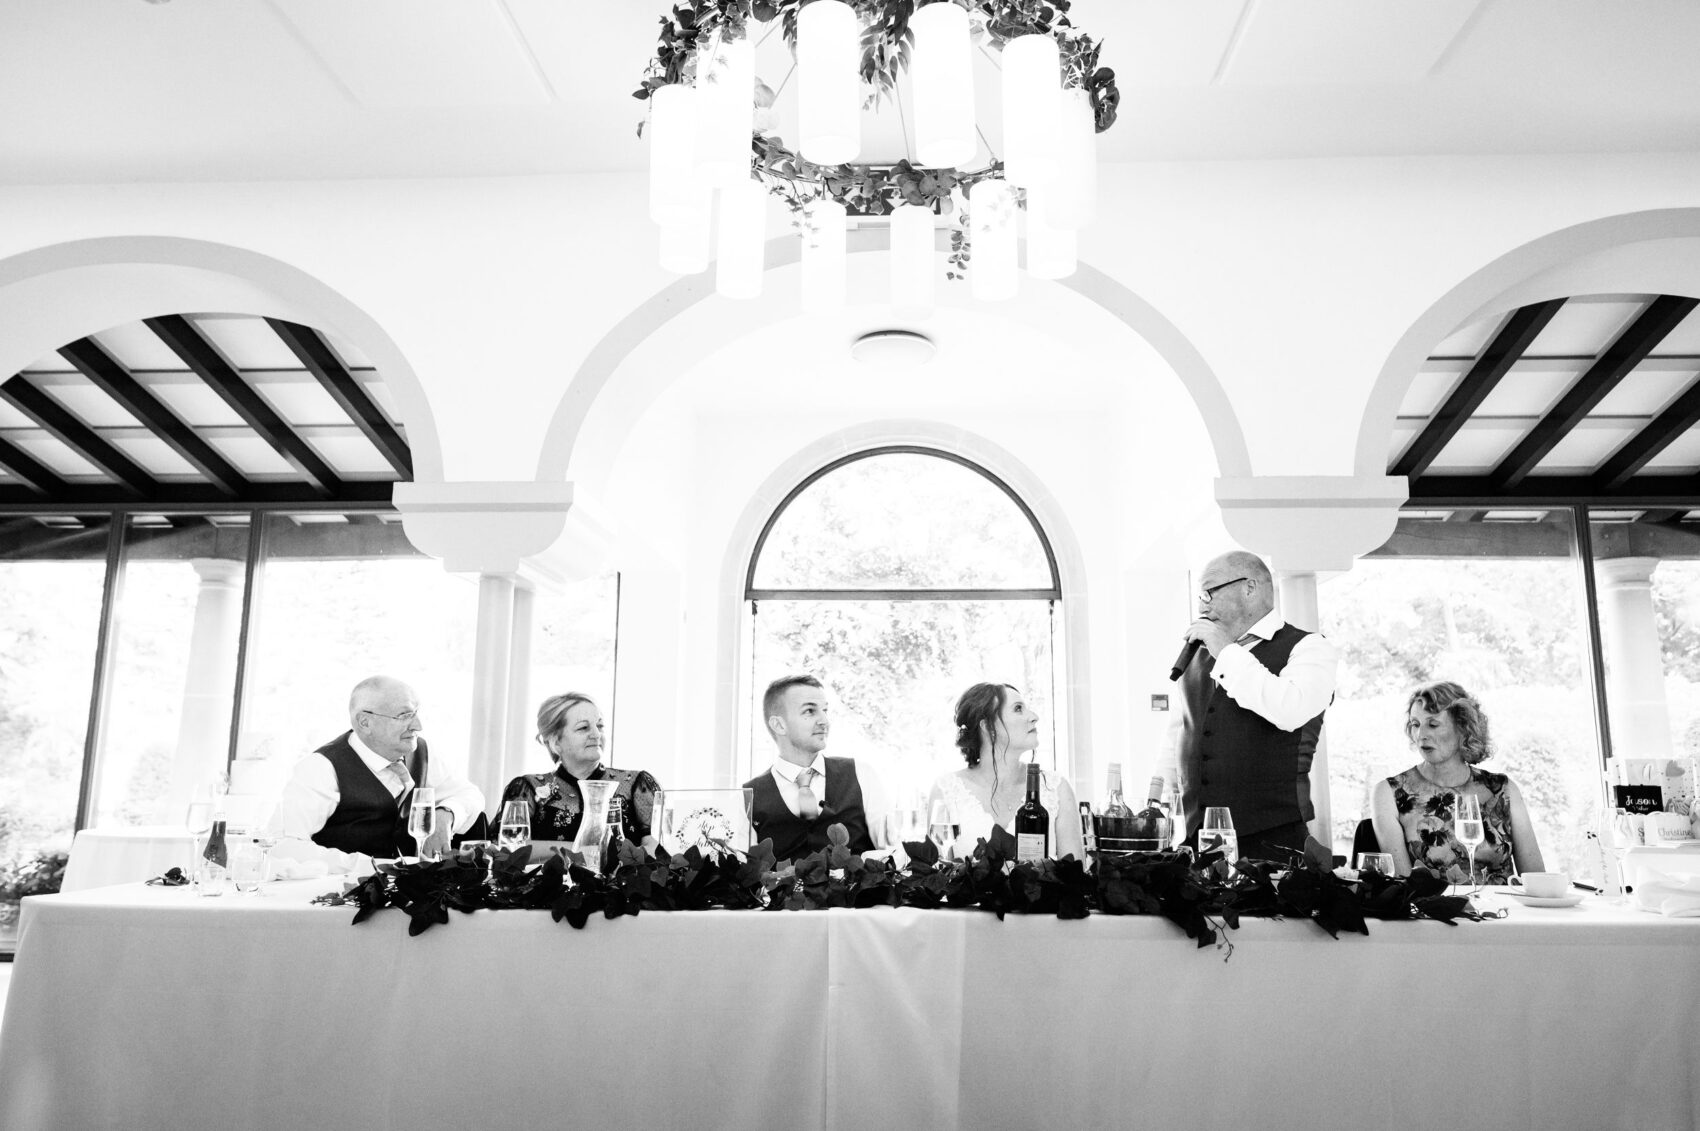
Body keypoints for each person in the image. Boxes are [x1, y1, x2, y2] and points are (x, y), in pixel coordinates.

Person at [1166, 550, 1340, 861]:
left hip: (1272, 837)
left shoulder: (1309, 647)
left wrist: (1226, 651)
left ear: (1250, 588)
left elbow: (1290, 709)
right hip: (1199, 837)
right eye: (1199, 596)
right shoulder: (1199, 654)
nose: (1202, 604)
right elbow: (1184, 731)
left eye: (1209, 593)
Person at [270, 675, 485, 873]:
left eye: (416, 713)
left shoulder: (421, 752)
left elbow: (471, 795)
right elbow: (284, 846)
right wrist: (364, 866)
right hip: (338, 901)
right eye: (404, 715)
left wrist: (446, 813)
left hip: (408, 899)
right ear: (365, 722)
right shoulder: (320, 768)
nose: (418, 725)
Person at [1370, 681, 1544, 883]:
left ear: (1463, 728)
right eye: (1415, 724)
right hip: (1433, 913)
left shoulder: (1503, 789)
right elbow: (1404, 887)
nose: (1421, 735)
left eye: (1433, 724)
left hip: (1504, 912)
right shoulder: (1389, 793)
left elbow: (1537, 880)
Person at [926, 682, 1082, 860]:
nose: (1034, 717)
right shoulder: (946, 790)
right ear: (988, 727)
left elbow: (1076, 881)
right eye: (1018, 709)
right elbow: (936, 878)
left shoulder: (1056, 788)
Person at [493, 692, 660, 843]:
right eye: (583, 728)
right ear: (556, 742)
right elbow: (510, 850)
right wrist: (583, 851)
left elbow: (657, 850)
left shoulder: (637, 785)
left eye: (600, 726)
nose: (596, 734)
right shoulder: (527, 788)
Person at [744, 675, 875, 860]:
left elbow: (893, 852)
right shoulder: (746, 797)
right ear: (779, 725)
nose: (824, 721)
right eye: (810, 711)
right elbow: (743, 872)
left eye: (825, 710)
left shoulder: (862, 775)